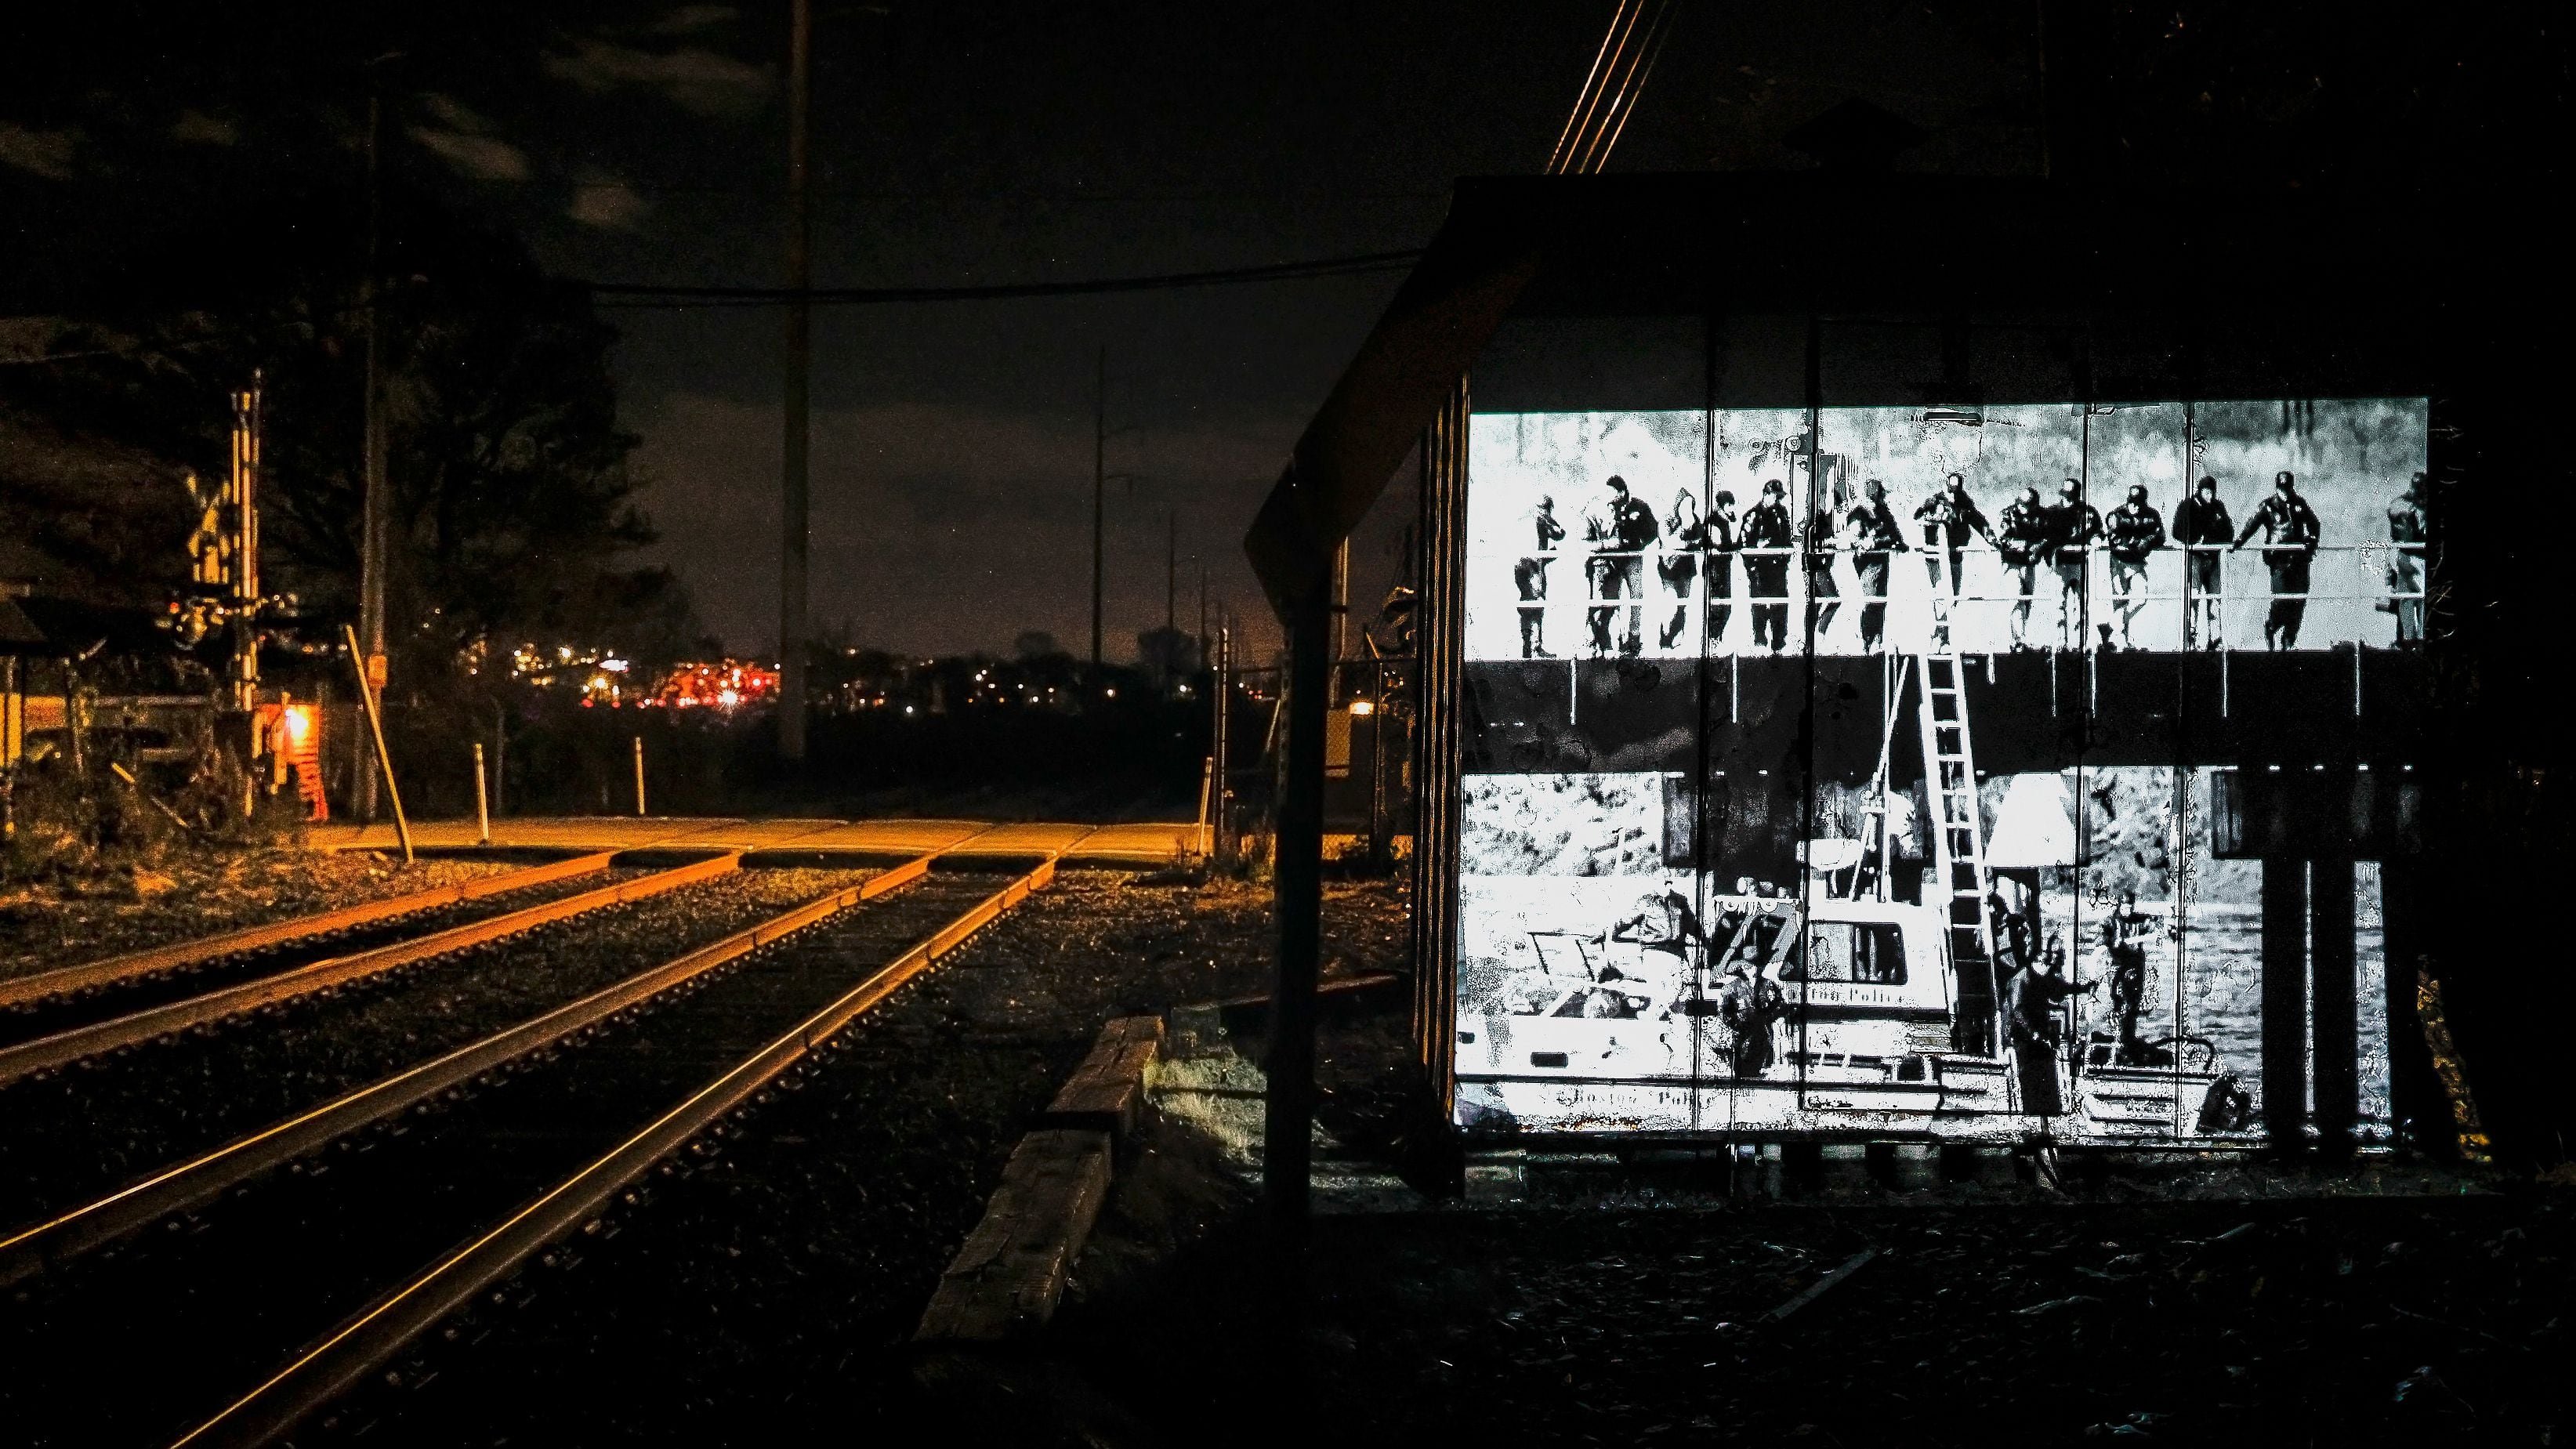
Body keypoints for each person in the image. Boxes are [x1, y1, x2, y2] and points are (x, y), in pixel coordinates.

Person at [2002, 936, 2096, 1115]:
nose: (2050, 971)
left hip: (2041, 1033)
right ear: (2039, 964)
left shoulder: (2042, 976)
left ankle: (2049, 1110)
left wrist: (2084, 988)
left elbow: (2060, 988)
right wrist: (2034, 1033)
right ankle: (2033, 1112)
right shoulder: (2021, 980)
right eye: (2047, 967)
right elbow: (2017, 1010)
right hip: (2023, 1036)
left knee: (2047, 1071)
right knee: (2030, 1074)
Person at [2233, 469, 2322, 650]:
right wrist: (2239, 541)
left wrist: (2311, 540)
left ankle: (2289, 640)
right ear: (2277, 487)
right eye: (2282, 489)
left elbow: (2314, 523)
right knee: (2281, 599)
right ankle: (2272, 627)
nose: (2285, 492)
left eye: (2288, 488)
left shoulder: (2299, 504)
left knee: (2298, 600)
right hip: (2279, 558)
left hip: (2299, 558)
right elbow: (2253, 524)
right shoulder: (2268, 506)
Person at [1913, 472, 1995, 647]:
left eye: (1956, 489)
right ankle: (1939, 635)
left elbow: (1979, 522)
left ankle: (1944, 635)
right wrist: (1934, 516)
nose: (1953, 491)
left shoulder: (1964, 505)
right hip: (1935, 556)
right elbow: (1918, 516)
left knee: (1954, 596)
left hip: (1954, 555)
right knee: (1942, 592)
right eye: (1951, 487)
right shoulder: (1934, 501)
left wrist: (1993, 540)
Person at [1584, 475, 1660, 657]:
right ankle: (1608, 641)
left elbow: (1653, 529)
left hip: (1633, 558)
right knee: (1612, 600)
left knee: (1636, 598)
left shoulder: (1639, 506)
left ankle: (1634, 639)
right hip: (1613, 561)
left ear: (1621, 492)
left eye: (1610, 492)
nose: (1607, 495)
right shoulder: (1605, 508)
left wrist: (1640, 542)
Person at [1609, 877, 1708, 1002]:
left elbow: (1693, 925)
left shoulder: (1680, 901)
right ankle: (1658, 1011)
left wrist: (1706, 941)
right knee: (1663, 994)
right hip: (1654, 952)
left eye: (1669, 882)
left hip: (1677, 953)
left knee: (1686, 991)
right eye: (1664, 881)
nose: (1667, 884)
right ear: (1655, 883)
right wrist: (1612, 933)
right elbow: (1626, 921)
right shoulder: (1645, 902)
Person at [2042, 479, 2103, 651]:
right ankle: (2061, 641)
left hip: (2078, 563)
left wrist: (2096, 540)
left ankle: (2078, 641)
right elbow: (2045, 536)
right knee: (2058, 604)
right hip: (2058, 565)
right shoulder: (2051, 513)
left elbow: (2097, 532)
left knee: (2079, 602)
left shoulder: (2087, 513)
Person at [2103, 484, 2167, 650]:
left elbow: (2161, 536)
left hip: (2137, 564)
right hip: (2119, 563)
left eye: (2138, 502)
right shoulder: (2117, 515)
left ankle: (2111, 626)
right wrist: (2130, 543)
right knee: (2120, 600)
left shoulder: (2151, 515)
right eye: (2132, 502)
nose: (2135, 506)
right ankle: (2121, 642)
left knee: (2140, 597)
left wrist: (2146, 541)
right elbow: (2113, 540)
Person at [1848, 479, 1908, 652]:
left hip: (1881, 562)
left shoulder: (1884, 514)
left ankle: (1877, 639)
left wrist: (1890, 542)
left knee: (1880, 601)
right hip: (1867, 564)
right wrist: (1870, 542)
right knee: (1872, 600)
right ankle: (1867, 640)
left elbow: (1896, 537)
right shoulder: (1858, 515)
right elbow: (1856, 540)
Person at [2175, 476, 2234, 650]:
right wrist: (2195, 540)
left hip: (2213, 558)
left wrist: (2219, 541)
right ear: (2200, 491)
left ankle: (2215, 637)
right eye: (2206, 492)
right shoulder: (2189, 506)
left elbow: (2228, 530)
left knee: (2215, 597)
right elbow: (2177, 530)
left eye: (2211, 492)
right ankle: (2191, 637)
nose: (2209, 495)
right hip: (2196, 557)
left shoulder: (2218, 507)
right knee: (2193, 596)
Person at [1995, 484, 2052, 650]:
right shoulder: (2008, 514)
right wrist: (2024, 545)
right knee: (2016, 597)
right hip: (2011, 563)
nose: (2024, 509)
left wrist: (2038, 548)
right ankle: (2019, 639)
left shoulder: (2041, 516)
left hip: (2029, 565)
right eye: (2022, 504)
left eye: (2028, 505)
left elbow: (2048, 536)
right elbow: (2003, 539)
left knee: (2026, 601)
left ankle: (2020, 637)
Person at [1741, 479, 1795, 653]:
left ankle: (1779, 642)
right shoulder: (1753, 515)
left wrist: (1783, 557)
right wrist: (1756, 551)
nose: (1777, 500)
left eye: (1779, 497)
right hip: (1759, 568)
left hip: (1778, 568)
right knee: (1760, 606)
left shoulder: (1781, 513)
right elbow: (1744, 543)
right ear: (1766, 494)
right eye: (1774, 496)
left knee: (1779, 605)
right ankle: (1760, 641)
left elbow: (1787, 537)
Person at [2101, 889, 2154, 1060]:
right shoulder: (2111, 921)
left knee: (2132, 1004)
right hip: (2117, 966)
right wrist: (2112, 944)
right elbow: (2102, 940)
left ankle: (2127, 1040)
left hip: (2135, 967)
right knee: (2119, 1001)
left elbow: (2156, 933)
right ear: (2119, 906)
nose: (2127, 910)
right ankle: (2120, 1039)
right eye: (2124, 907)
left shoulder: (2141, 920)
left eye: (2130, 907)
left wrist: (2133, 940)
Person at [1514, 494, 1565, 659]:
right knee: (1537, 603)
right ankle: (1536, 647)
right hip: (1534, 567)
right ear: (1547, 508)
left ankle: (1526, 646)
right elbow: (1558, 533)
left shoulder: (1523, 520)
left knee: (1526, 603)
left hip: (1520, 567)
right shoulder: (1542, 519)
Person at [1718, 961, 1788, 1079]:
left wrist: (1768, 1017)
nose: (1753, 969)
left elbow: (1780, 1003)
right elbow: (1724, 1011)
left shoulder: (1768, 984)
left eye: (1755, 965)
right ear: (1742, 968)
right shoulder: (1731, 988)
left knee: (1760, 1061)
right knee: (1743, 1066)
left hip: (1762, 1033)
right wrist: (1735, 1024)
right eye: (1748, 965)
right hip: (1743, 1033)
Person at [1658, 489, 1704, 650]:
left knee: (1682, 605)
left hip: (1686, 569)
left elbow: (1701, 539)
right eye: (1685, 505)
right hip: (1669, 568)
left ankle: (1677, 636)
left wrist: (1693, 535)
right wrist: (1682, 530)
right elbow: (1669, 542)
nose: (1688, 509)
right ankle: (1665, 637)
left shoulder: (1695, 521)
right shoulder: (1667, 521)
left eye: (1691, 505)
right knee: (1670, 603)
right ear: (1677, 505)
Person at [2388, 471, 2427, 647]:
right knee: (2417, 598)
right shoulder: (2416, 508)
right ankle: (2415, 637)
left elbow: (2392, 512)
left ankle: (2411, 637)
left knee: (2409, 598)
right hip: (2415, 556)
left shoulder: (2399, 505)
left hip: (2407, 555)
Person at [1803, 488, 1844, 643]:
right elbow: (1813, 542)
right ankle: (1818, 634)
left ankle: (1811, 637)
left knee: (1816, 603)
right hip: (1816, 567)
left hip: (1818, 567)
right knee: (1832, 600)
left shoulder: (1824, 520)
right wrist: (1831, 543)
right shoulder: (1816, 522)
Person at [1702, 489, 1740, 647]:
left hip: (1723, 566)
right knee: (1719, 605)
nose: (1732, 509)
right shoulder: (1714, 522)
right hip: (1716, 568)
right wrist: (1737, 546)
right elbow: (1718, 545)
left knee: (1724, 605)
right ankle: (1714, 639)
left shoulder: (1724, 521)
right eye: (1729, 505)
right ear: (1722, 506)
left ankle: (1715, 638)